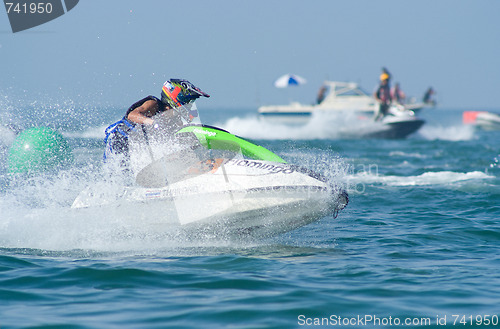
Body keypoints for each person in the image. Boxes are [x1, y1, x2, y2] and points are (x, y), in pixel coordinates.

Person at [104, 79, 210, 160]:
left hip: (135, 147)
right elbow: (132, 115)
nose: (190, 105)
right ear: (177, 97)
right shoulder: (154, 104)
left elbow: (179, 135)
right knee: (125, 174)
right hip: (119, 141)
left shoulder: (175, 118)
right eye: (189, 101)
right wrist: (152, 122)